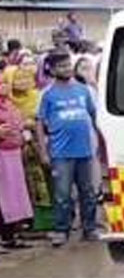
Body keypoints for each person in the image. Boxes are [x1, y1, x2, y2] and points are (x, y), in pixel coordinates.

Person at [36, 52, 99, 246]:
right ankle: (61, 230)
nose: (66, 69)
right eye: (61, 66)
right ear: (52, 70)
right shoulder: (47, 94)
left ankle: (90, 228)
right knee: (62, 195)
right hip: (60, 153)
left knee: (88, 192)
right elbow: (39, 124)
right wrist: (43, 152)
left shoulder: (84, 90)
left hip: (85, 151)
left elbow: (93, 116)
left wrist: (98, 144)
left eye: (67, 65)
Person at [0, 75, 34, 250]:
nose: (4, 86)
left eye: (6, 83)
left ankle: (12, 236)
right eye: (0, 84)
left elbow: (19, 125)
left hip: (14, 154)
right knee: (3, 198)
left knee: (16, 196)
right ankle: (4, 237)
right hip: (2, 157)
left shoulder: (10, 104)